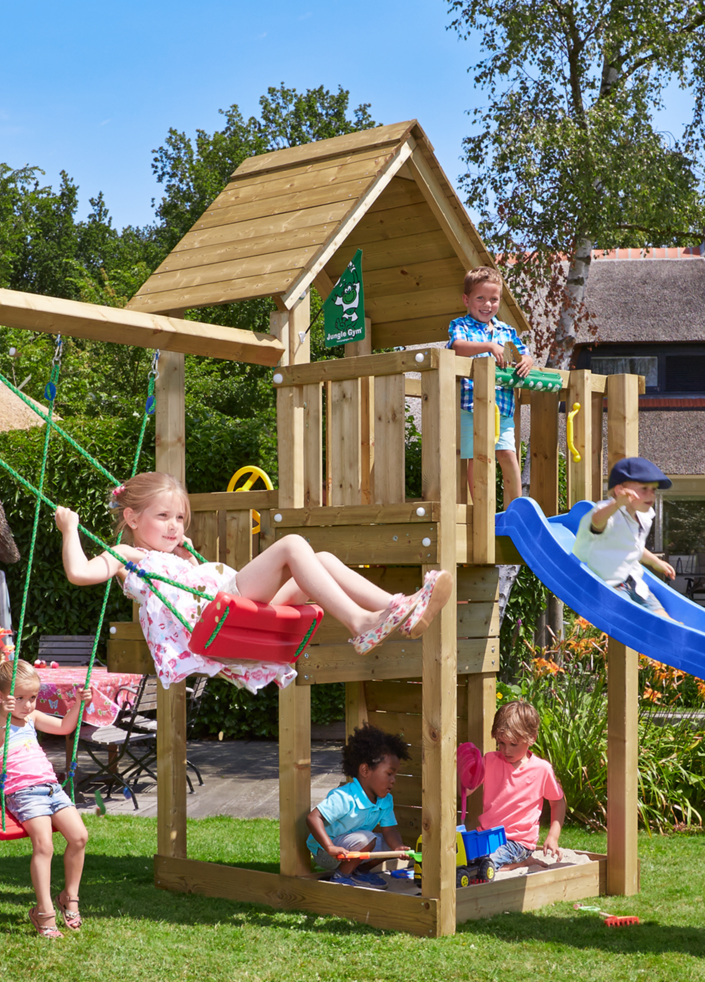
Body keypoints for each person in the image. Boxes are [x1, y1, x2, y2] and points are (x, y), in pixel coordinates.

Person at [55, 472, 453, 689]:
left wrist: (185, 556)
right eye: (163, 517)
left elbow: (186, 580)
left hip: (235, 612)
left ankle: (399, 609)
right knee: (292, 545)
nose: (174, 526)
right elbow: (79, 573)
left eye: (179, 518)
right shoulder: (130, 556)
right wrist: (70, 530)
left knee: (323, 559)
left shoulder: (172, 557)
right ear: (131, 518)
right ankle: (361, 622)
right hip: (219, 615)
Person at [0, 654, 93, 939]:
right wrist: (3, 714)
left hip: (51, 787)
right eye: (20, 698)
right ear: (0, 696)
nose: (28, 704)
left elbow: (65, 728)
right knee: (44, 845)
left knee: (79, 837)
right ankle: (44, 912)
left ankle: (69, 896)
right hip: (23, 792)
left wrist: (78, 704)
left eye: (32, 697)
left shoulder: (31, 717)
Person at [448, 265, 536, 510]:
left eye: (494, 299)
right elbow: (457, 347)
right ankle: (482, 509)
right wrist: (488, 346)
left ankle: (515, 510)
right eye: (480, 298)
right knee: (478, 455)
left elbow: (523, 354)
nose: (487, 304)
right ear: (466, 300)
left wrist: (526, 361)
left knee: (508, 454)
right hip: (472, 406)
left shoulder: (506, 331)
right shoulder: (461, 325)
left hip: (502, 407)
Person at [305, 725, 411, 887]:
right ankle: (341, 876)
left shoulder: (385, 800)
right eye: (389, 774)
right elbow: (313, 818)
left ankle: (359, 872)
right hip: (326, 852)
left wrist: (397, 847)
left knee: (387, 843)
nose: (393, 780)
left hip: (353, 846)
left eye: (395, 775)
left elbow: (390, 830)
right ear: (365, 770)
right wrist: (330, 847)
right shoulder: (345, 796)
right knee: (367, 838)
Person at [573, 456, 678, 617]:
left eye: (654, 489)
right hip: (608, 586)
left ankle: (675, 627)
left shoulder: (643, 517)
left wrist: (655, 561)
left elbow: (634, 547)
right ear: (619, 491)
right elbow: (597, 522)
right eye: (644, 489)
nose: (651, 494)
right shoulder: (608, 513)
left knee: (660, 613)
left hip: (634, 581)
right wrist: (616, 504)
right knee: (629, 615)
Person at [470, 700, 566, 870]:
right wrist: (465, 770)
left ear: (532, 738)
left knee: (485, 866)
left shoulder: (541, 769)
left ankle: (522, 862)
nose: (506, 750)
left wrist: (553, 836)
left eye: (513, 744)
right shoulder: (489, 761)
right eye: (501, 743)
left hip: (519, 841)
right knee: (464, 860)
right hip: (487, 836)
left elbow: (558, 802)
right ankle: (519, 863)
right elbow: (467, 790)